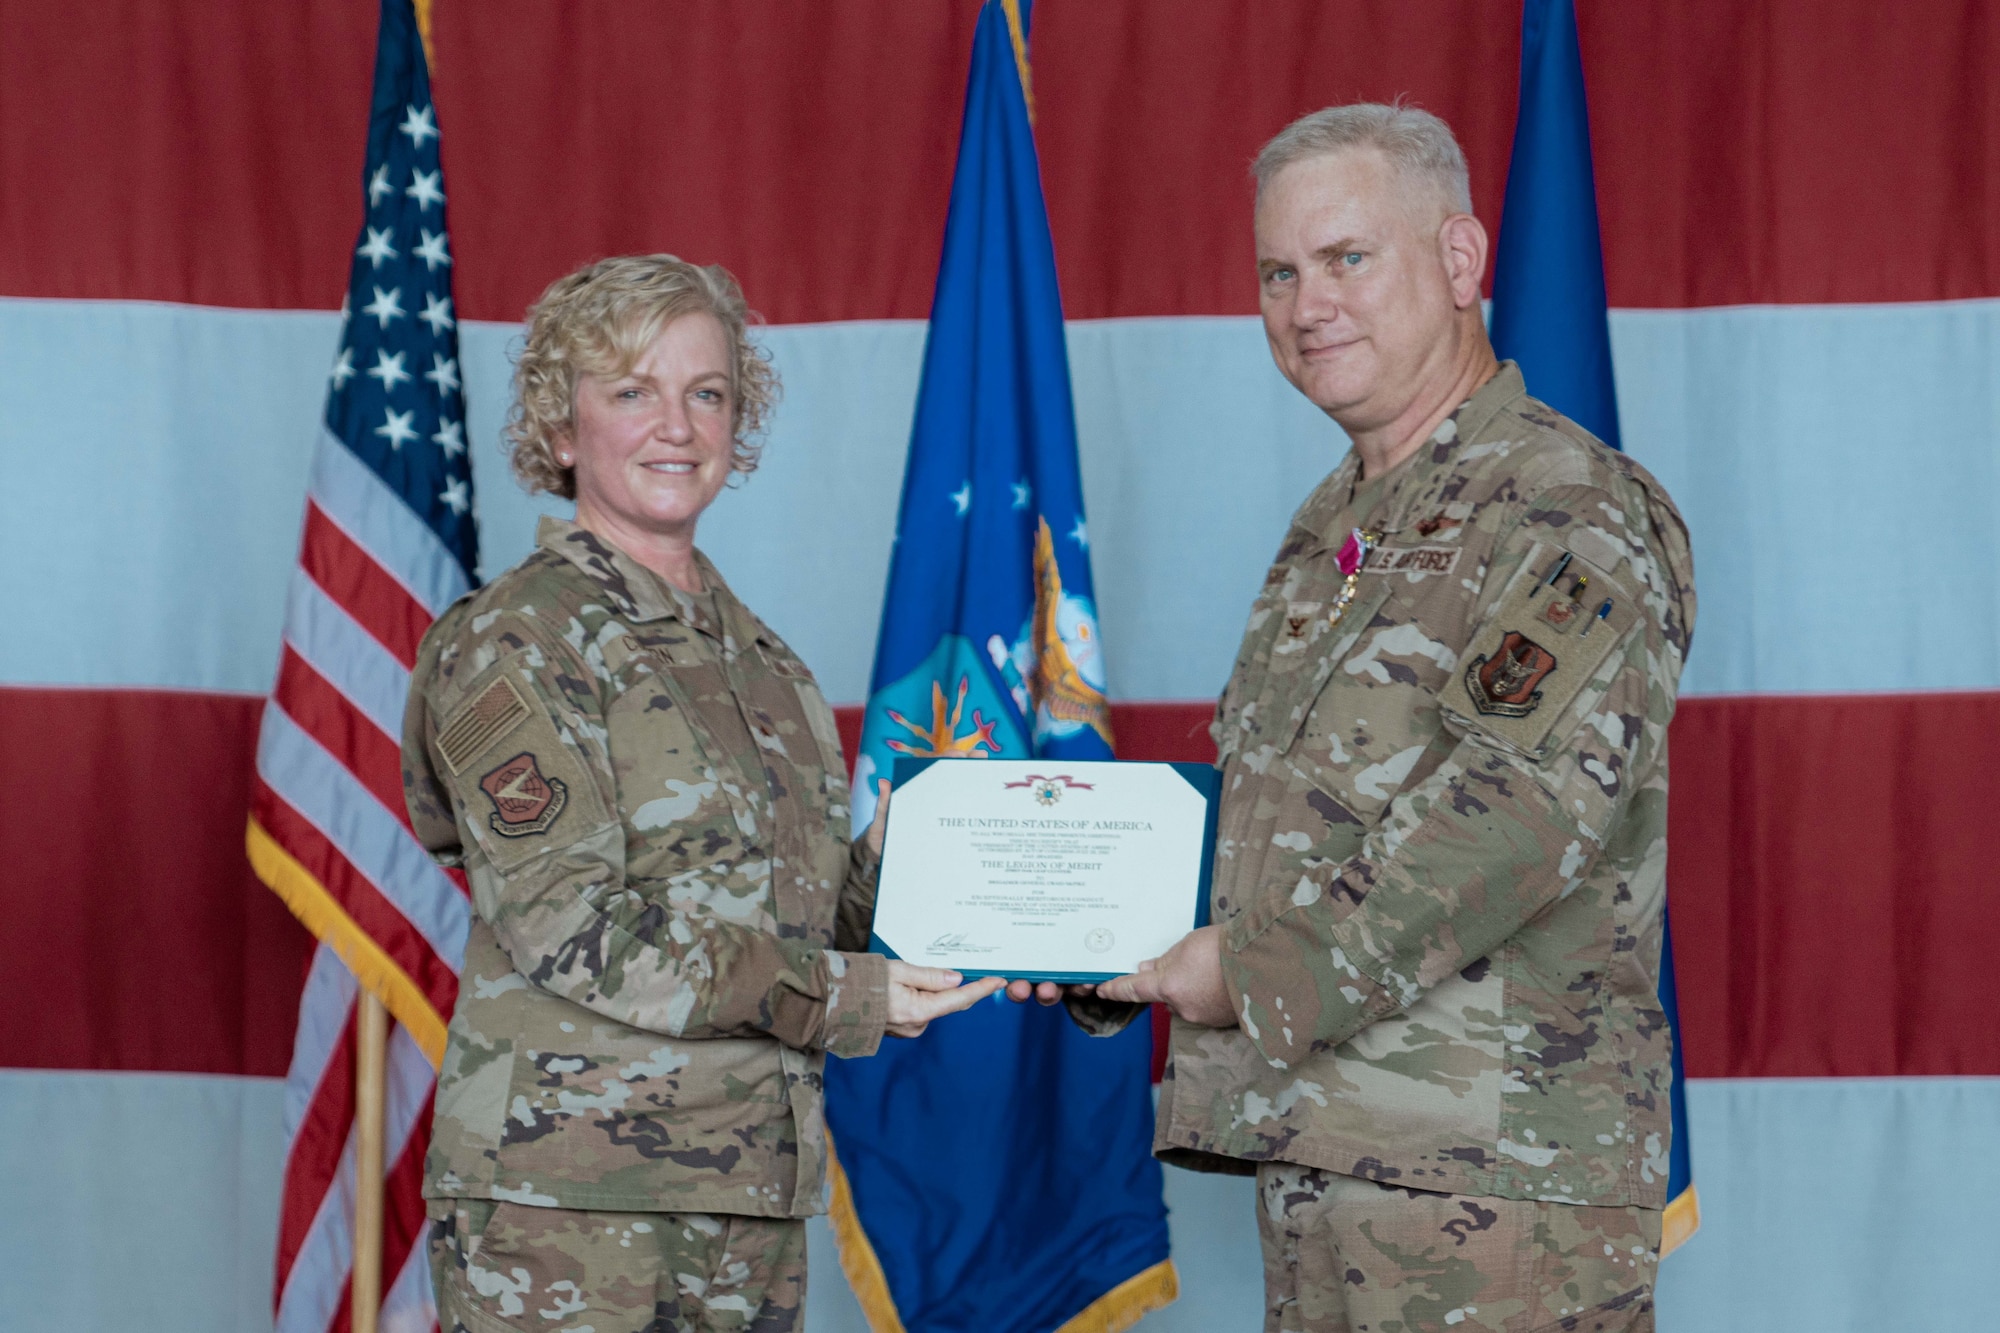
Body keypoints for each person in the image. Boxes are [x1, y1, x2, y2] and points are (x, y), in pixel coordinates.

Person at [1013, 104, 1696, 1332]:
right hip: (1331, 1147)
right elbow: (1288, 826)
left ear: (1457, 261)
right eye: (1276, 271)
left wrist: (1252, 968)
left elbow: (1516, 813)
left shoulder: (1562, 503)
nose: (1303, 303)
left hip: (1495, 1180)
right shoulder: (1336, 523)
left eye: (1344, 259)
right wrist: (1088, 927)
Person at [403, 254, 1002, 1333]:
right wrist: (846, 998)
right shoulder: (515, 640)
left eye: (706, 392)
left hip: (747, 1192)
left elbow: (807, 918)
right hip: (570, 1204)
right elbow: (569, 925)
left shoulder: (763, 665)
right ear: (559, 426)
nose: (675, 425)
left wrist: (957, 854)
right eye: (632, 391)